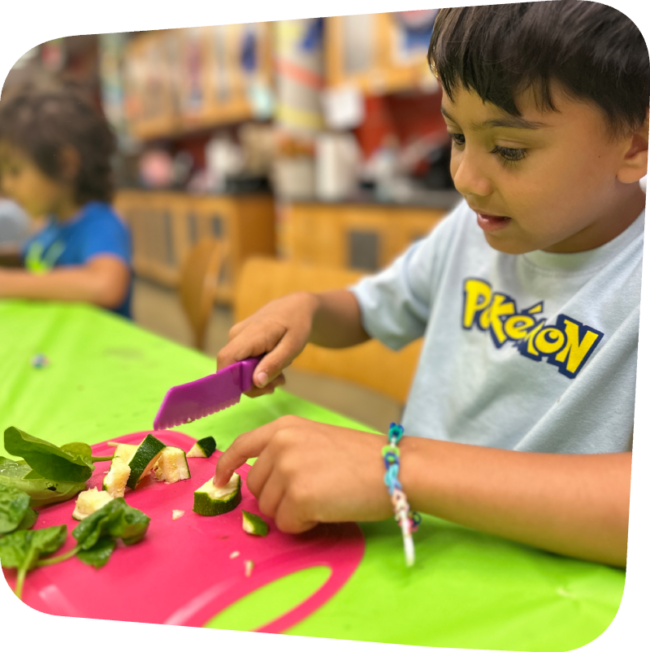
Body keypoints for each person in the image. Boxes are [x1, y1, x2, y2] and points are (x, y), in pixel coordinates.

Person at [213, 1, 650, 569]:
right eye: (457, 135)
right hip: (418, 538)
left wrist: (400, 468)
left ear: (636, 145)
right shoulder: (471, 233)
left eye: (510, 149)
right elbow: (371, 310)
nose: (466, 179)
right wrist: (311, 309)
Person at [0, 82, 133, 319]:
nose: (6, 185)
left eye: (15, 170)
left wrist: (7, 283)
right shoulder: (53, 224)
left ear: (64, 164)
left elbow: (106, 285)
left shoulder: (100, 223)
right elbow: (32, 255)